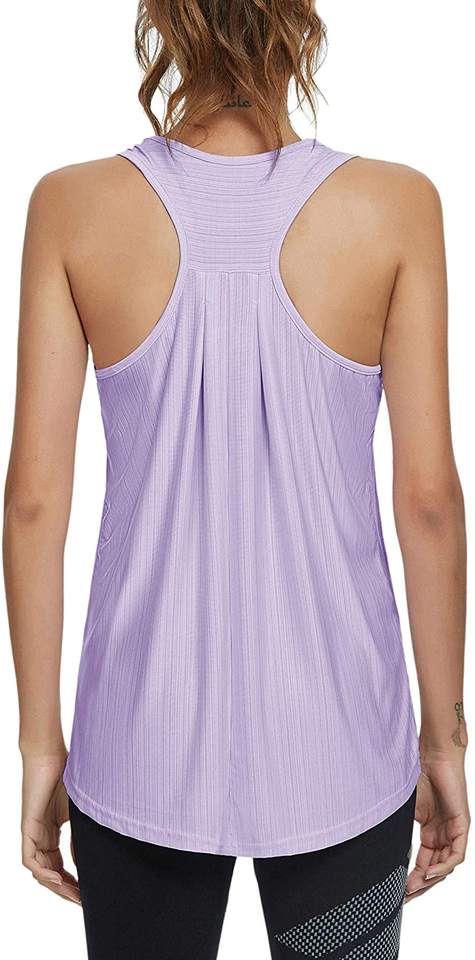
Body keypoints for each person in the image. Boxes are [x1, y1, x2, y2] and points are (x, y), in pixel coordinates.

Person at [3, 2, 469, 958]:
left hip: (135, 748)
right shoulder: (394, 206)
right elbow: (427, 501)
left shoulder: (72, 205)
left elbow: (34, 504)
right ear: (299, 21)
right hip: (344, 750)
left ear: (163, 24)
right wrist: (443, 735)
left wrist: (40, 742)